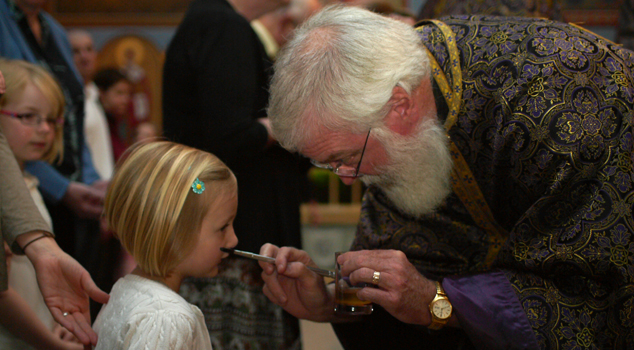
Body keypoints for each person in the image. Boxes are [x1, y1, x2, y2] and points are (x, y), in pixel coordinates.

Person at [260, 5, 634, 350]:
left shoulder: (575, 102)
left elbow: (596, 302)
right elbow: (405, 274)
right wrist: (329, 304)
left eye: (345, 158)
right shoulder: (390, 116)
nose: (346, 179)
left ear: (400, 104)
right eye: (330, 165)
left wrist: (438, 302)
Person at [162, 0, 310, 348]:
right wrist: (280, 127)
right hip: (236, 230)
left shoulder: (212, 21)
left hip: (224, 220)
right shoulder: (223, 26)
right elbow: (229, 134)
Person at [0, 68, 110, 348]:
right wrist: (49, 341)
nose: (45, 129)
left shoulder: (31, 184)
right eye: (28, 117)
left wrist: (59, 322)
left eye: (52, 120)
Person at [93, 141, 239, 350]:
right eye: (223, 227)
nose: (234, 240)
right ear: (174, 233)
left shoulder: (124, 290)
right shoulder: (167, 318)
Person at [0, 0, 106, 261]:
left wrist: (91, 179)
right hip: (18, 182)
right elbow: (12, 127)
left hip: (71, 190)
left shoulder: (55, 30)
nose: (45, 126)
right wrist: (60, 187)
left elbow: (73, 116)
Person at [68, 29, 115, 182]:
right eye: (76, 51)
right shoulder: (66, 99)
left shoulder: (94, 93)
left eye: (89, 49)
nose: (84, 57)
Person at [92, 68, 132, 162]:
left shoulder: (118, 122)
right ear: (102, 94)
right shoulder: (97, 121)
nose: (125, 100)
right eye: (119, 93)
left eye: (128, 94)